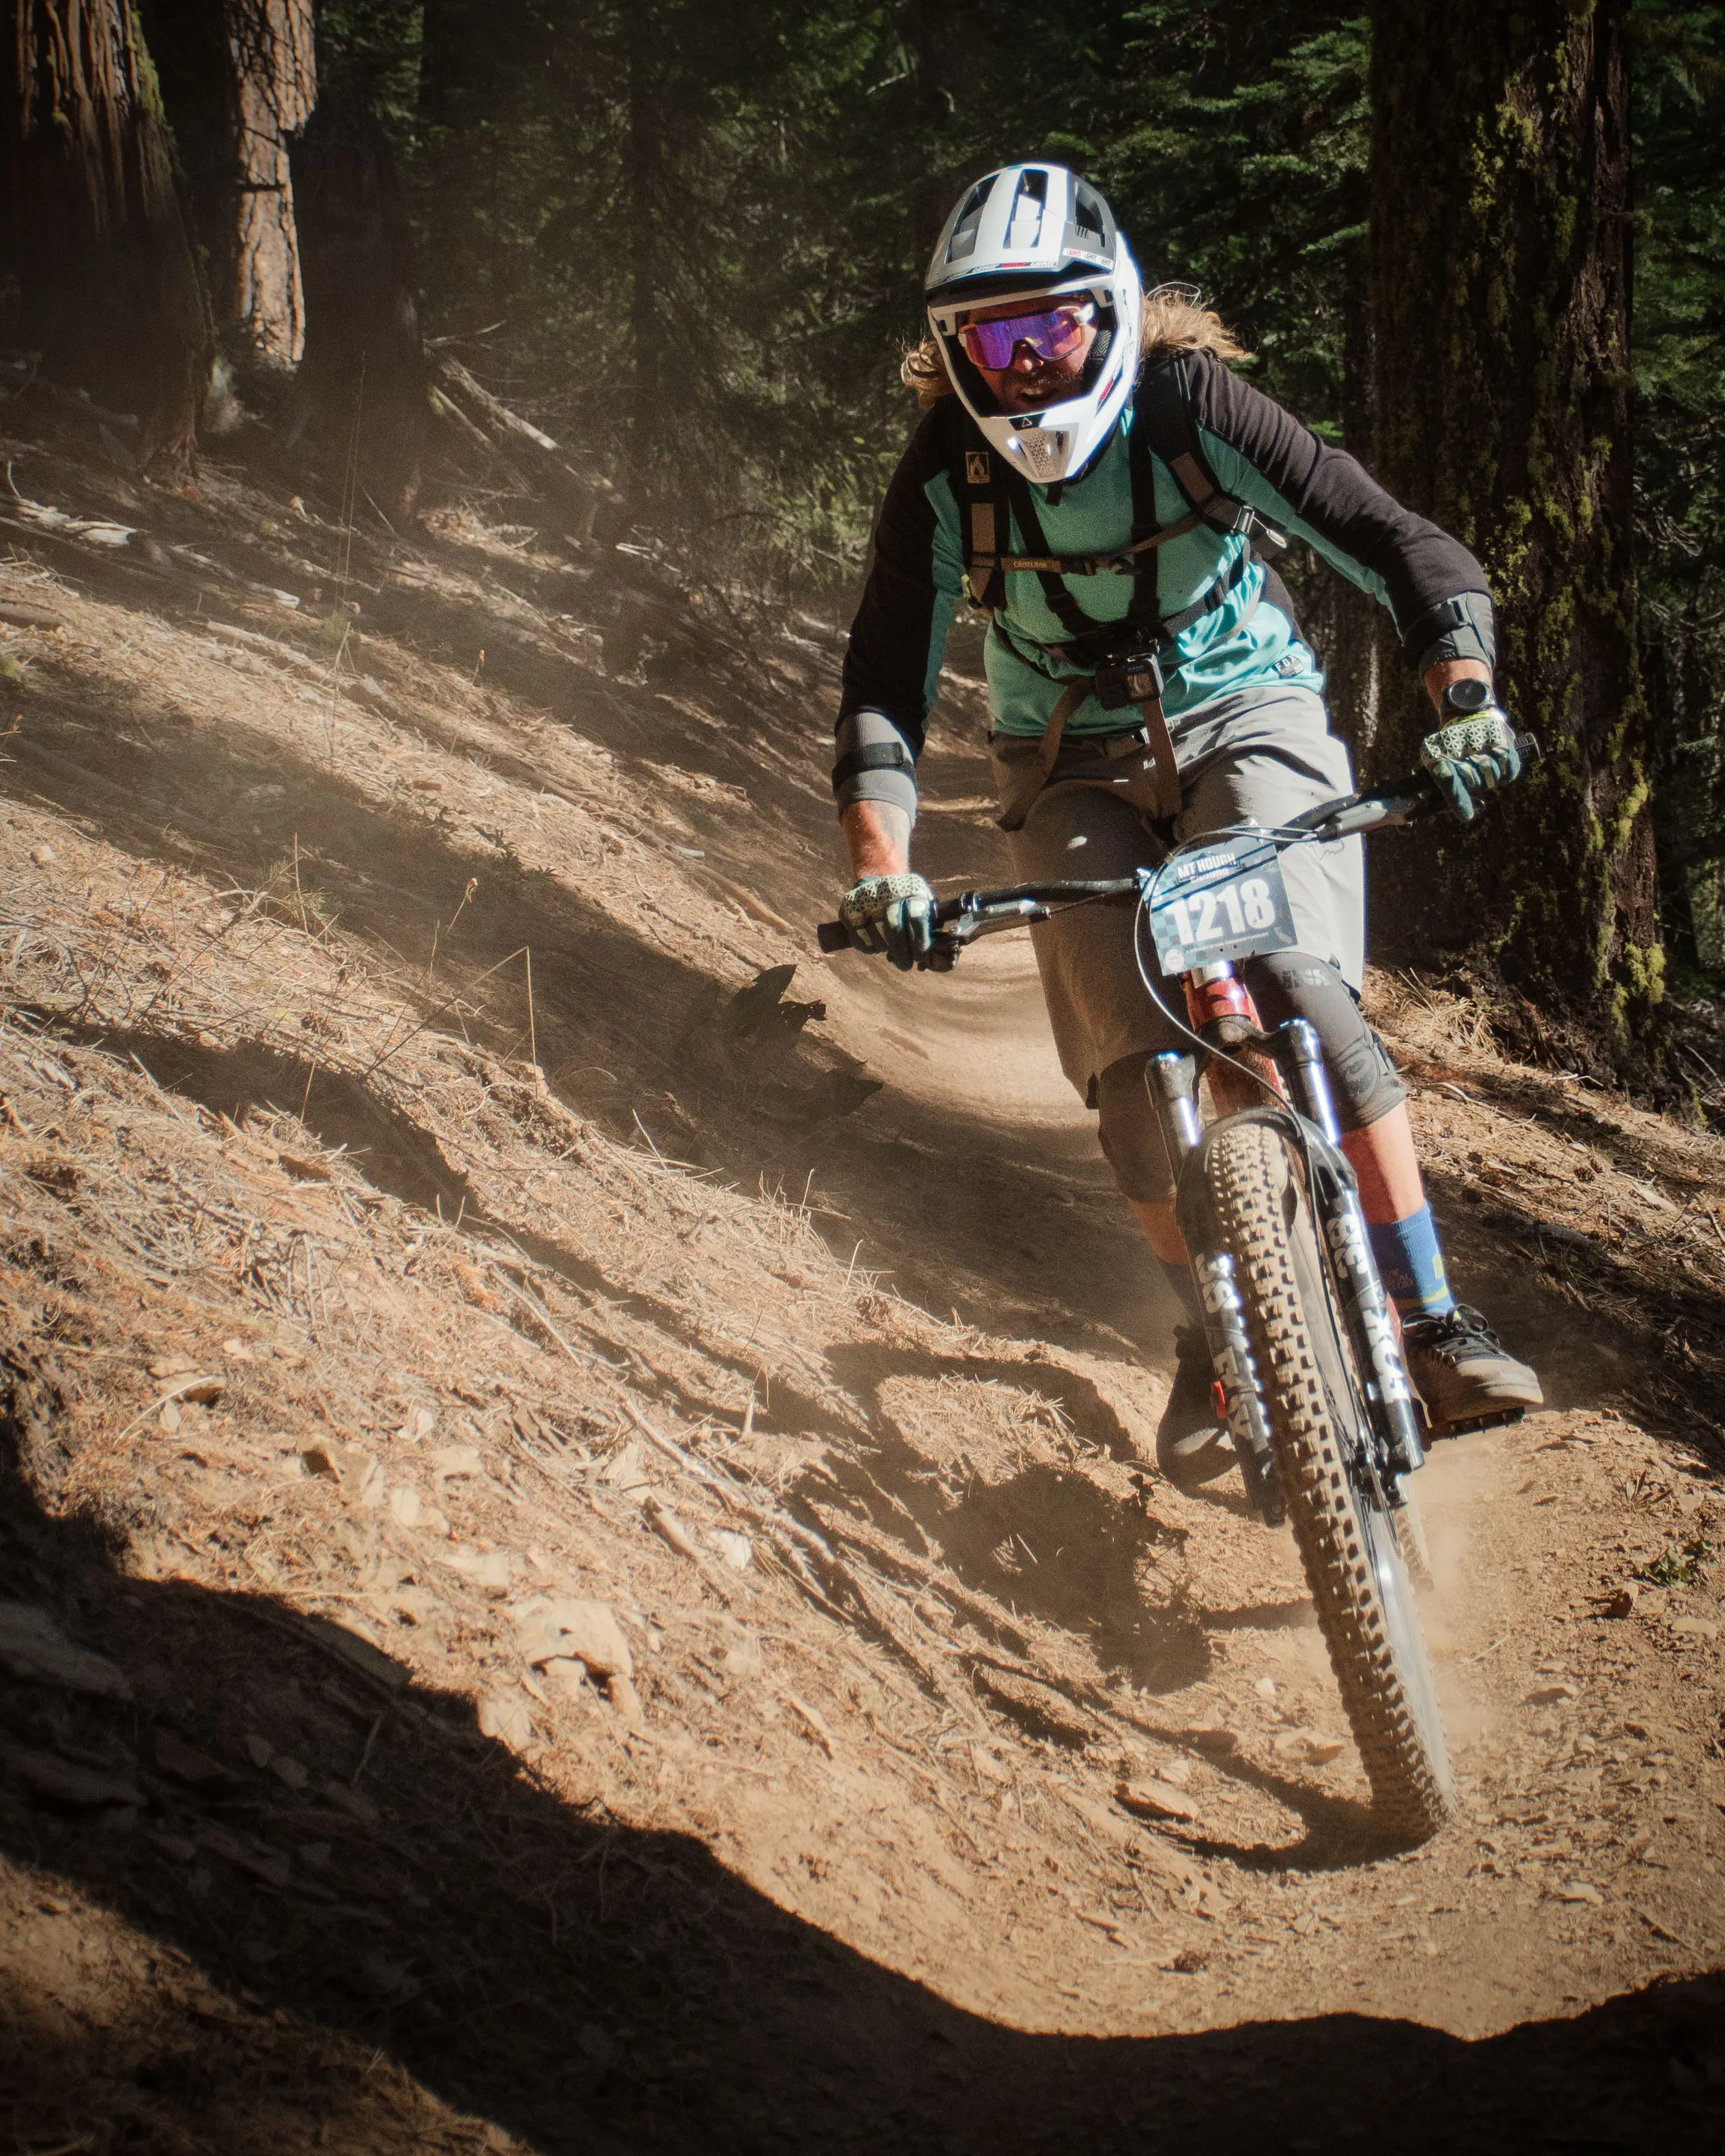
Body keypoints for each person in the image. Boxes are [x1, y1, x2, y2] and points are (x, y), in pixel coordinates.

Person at [830, 161, 1542, 1489]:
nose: (1030, 364)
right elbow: (884, 680)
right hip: (1067, 765)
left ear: (1110, 314)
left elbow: (1391, 540)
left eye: (1052, 326)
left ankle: (1433, 1318)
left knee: (1294, 978)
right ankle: (1215, 1333)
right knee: (1123, 1074)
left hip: (1243, 714)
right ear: (950, 350)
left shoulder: (1189, 403)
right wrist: (885, 871)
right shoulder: (944, 473)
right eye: (995, 338)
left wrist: (1462, 694)